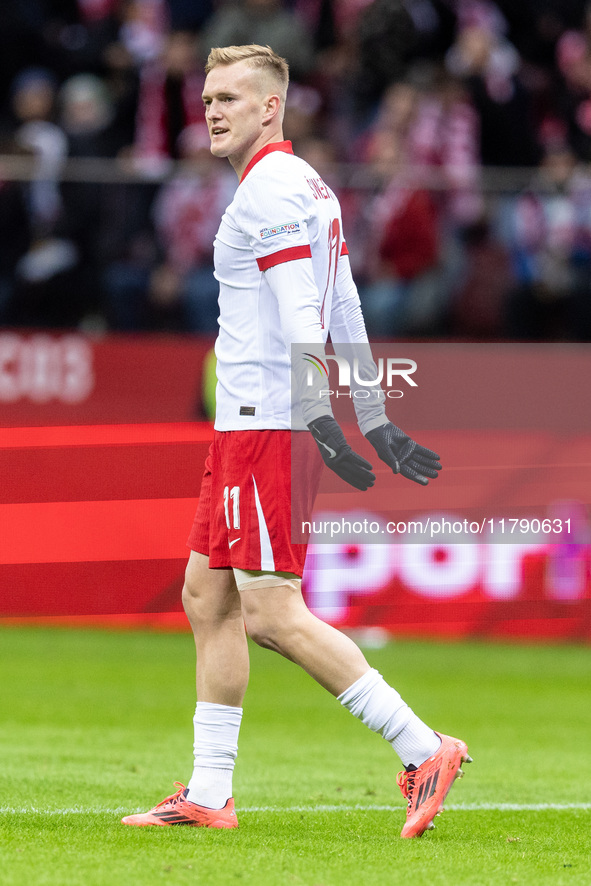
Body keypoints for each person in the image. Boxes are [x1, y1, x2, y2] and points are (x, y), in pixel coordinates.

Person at [121, 44, 471, 840]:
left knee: (273, 614)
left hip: (267, 427)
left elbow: (307, 319)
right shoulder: (309, 185)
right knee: (206, 596)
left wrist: (322, 420)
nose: (212, 110)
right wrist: (373, 418)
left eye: (231, 98)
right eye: (208, 97)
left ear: (270, 107)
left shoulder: (267, 194)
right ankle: (210, 793)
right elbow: (345, 306)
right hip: (253, 425)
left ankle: (423, 747)